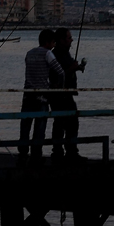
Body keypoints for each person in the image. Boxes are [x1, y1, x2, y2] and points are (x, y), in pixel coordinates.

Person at [18, 29, 65, 166]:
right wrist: (58, 87)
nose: (54, 45)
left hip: (27, 96)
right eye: (53, 42)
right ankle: (36, 156)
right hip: (41, 97)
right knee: (39, 129)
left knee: (25, 127)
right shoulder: (48, 53)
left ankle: (22, 155)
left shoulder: (29, 53)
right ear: (48, 42)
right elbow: (61, 72)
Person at [50, 27, 86, 163]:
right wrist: (73, 67)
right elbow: (59, 73)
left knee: (72, 122)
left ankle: (70, 151)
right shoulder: (55, 55)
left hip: (67, 94)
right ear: (61, 40)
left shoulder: (65, 54)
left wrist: (76, 67)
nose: (71, 40)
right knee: (60, 123)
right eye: (69, 38)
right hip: (59, 95)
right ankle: (59, 152)